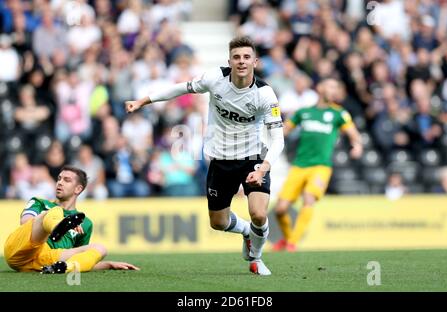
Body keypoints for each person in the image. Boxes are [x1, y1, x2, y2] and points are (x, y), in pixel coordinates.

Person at [125, 36, 285, 275]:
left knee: (259, 214)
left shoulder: (265, 95)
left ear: (255, 61)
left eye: (246, 57)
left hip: (253, 159)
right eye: (237, 57)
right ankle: (245, 232)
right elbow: (180, 88)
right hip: (220, 160)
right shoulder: (215, 79)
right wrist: (143, 101)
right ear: (229, 60)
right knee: (218, 223)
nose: (241, 62)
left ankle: (257, 258)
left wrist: (263, 169)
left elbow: (278, 139)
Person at [273, 78, 363, 252]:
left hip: (321, 166)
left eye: (336, 87)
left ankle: (292, 243)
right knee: (280, 210)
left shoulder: (339, 114)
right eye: (331, 86)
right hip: (299, 165)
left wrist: (357, 146)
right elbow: (284, 130)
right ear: (320, 88)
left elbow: (354, 134)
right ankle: (287, 239)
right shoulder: (303, 112)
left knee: (309, 199)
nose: (334, 90)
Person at [4, 165, 139, 273]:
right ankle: (58, 225)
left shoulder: (85, 223)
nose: (60, 183)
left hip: (48, 260)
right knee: (53, 212)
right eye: (59, 178)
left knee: (101, 248)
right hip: (21, 251)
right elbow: (25, 223)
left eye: (66, 180)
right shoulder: (39, 202)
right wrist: (55, 223)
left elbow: (79, 258)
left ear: (78, 189)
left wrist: (109, 264)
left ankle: (63, 268)